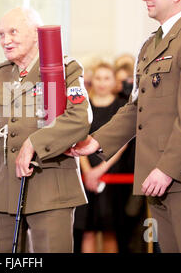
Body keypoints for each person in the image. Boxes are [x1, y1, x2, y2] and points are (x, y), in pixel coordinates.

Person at [68, 0, 181, 253]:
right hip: (159, 176)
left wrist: (165, 169)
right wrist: (95, 142)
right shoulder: (151, 45)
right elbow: (135, 109)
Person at [0, 7, 91, 253]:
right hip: (5, 189)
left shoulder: (64, 69)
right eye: (1, 34)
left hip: (50, 184)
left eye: (13, 32)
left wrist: (34, 143)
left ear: (35, 34)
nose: (5, 40)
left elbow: (79, 118)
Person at [73, 63, 128, 253]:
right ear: (91, 80)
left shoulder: (122, 106)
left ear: (114, 81)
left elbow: (123, 141)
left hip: (112, 174)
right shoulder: (83, 105)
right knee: (87, 230)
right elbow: (76, 138)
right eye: (98, 78)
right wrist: (88, 171)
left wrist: (100, 169)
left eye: (106, 78)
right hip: (84, 173)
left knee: (109, 230)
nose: (102, 83)